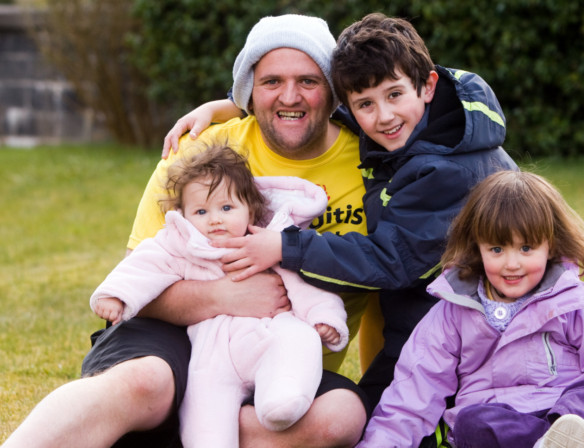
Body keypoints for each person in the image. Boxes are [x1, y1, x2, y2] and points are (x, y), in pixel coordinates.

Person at [2, 14, 368, 448]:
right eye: (271, 81)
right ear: (249, 88)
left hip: (276, 355)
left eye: (308, 80)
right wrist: (224, 297)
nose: (290, 96)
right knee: (146, 381)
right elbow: (140, 275)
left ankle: (159, 433)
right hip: (169, 334)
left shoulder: (372, 163)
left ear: (332, 87)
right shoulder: (199, 150)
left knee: (342, 416)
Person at [165, 13, 519, 413]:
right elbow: (305, 103)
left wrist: (286, 246)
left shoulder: (445, 169)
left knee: (386, 423)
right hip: (429, 316)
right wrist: (227, 105)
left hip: (475, 331)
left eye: (394, 96)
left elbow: (392, 259)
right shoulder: (418, 127)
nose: (383, 116)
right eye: (365, 104)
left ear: (427, 86)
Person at [356, 170, 584, 448]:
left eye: (526, 248)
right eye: (497, 249)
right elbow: (411, 395)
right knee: (471, 421)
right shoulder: (451, 314)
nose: (512, 264)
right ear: (477, 247)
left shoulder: (578, 304)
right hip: (498, 422)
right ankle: (546, 443)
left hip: (566, 413)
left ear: (550, 245)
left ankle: (563, 441)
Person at [91, 143, 350, 447]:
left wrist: (325, 317)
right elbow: (142, 266)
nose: (214, 219)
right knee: (204, 402)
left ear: (251, 210)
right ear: (184, 216)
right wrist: (116, 295)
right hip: (211, 350)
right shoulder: (179, 244)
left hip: (270, 332)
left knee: (296, 340)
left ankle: (283, 399)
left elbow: (306, 285)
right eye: (201, 211)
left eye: (226, 208)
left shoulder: (269, 242)